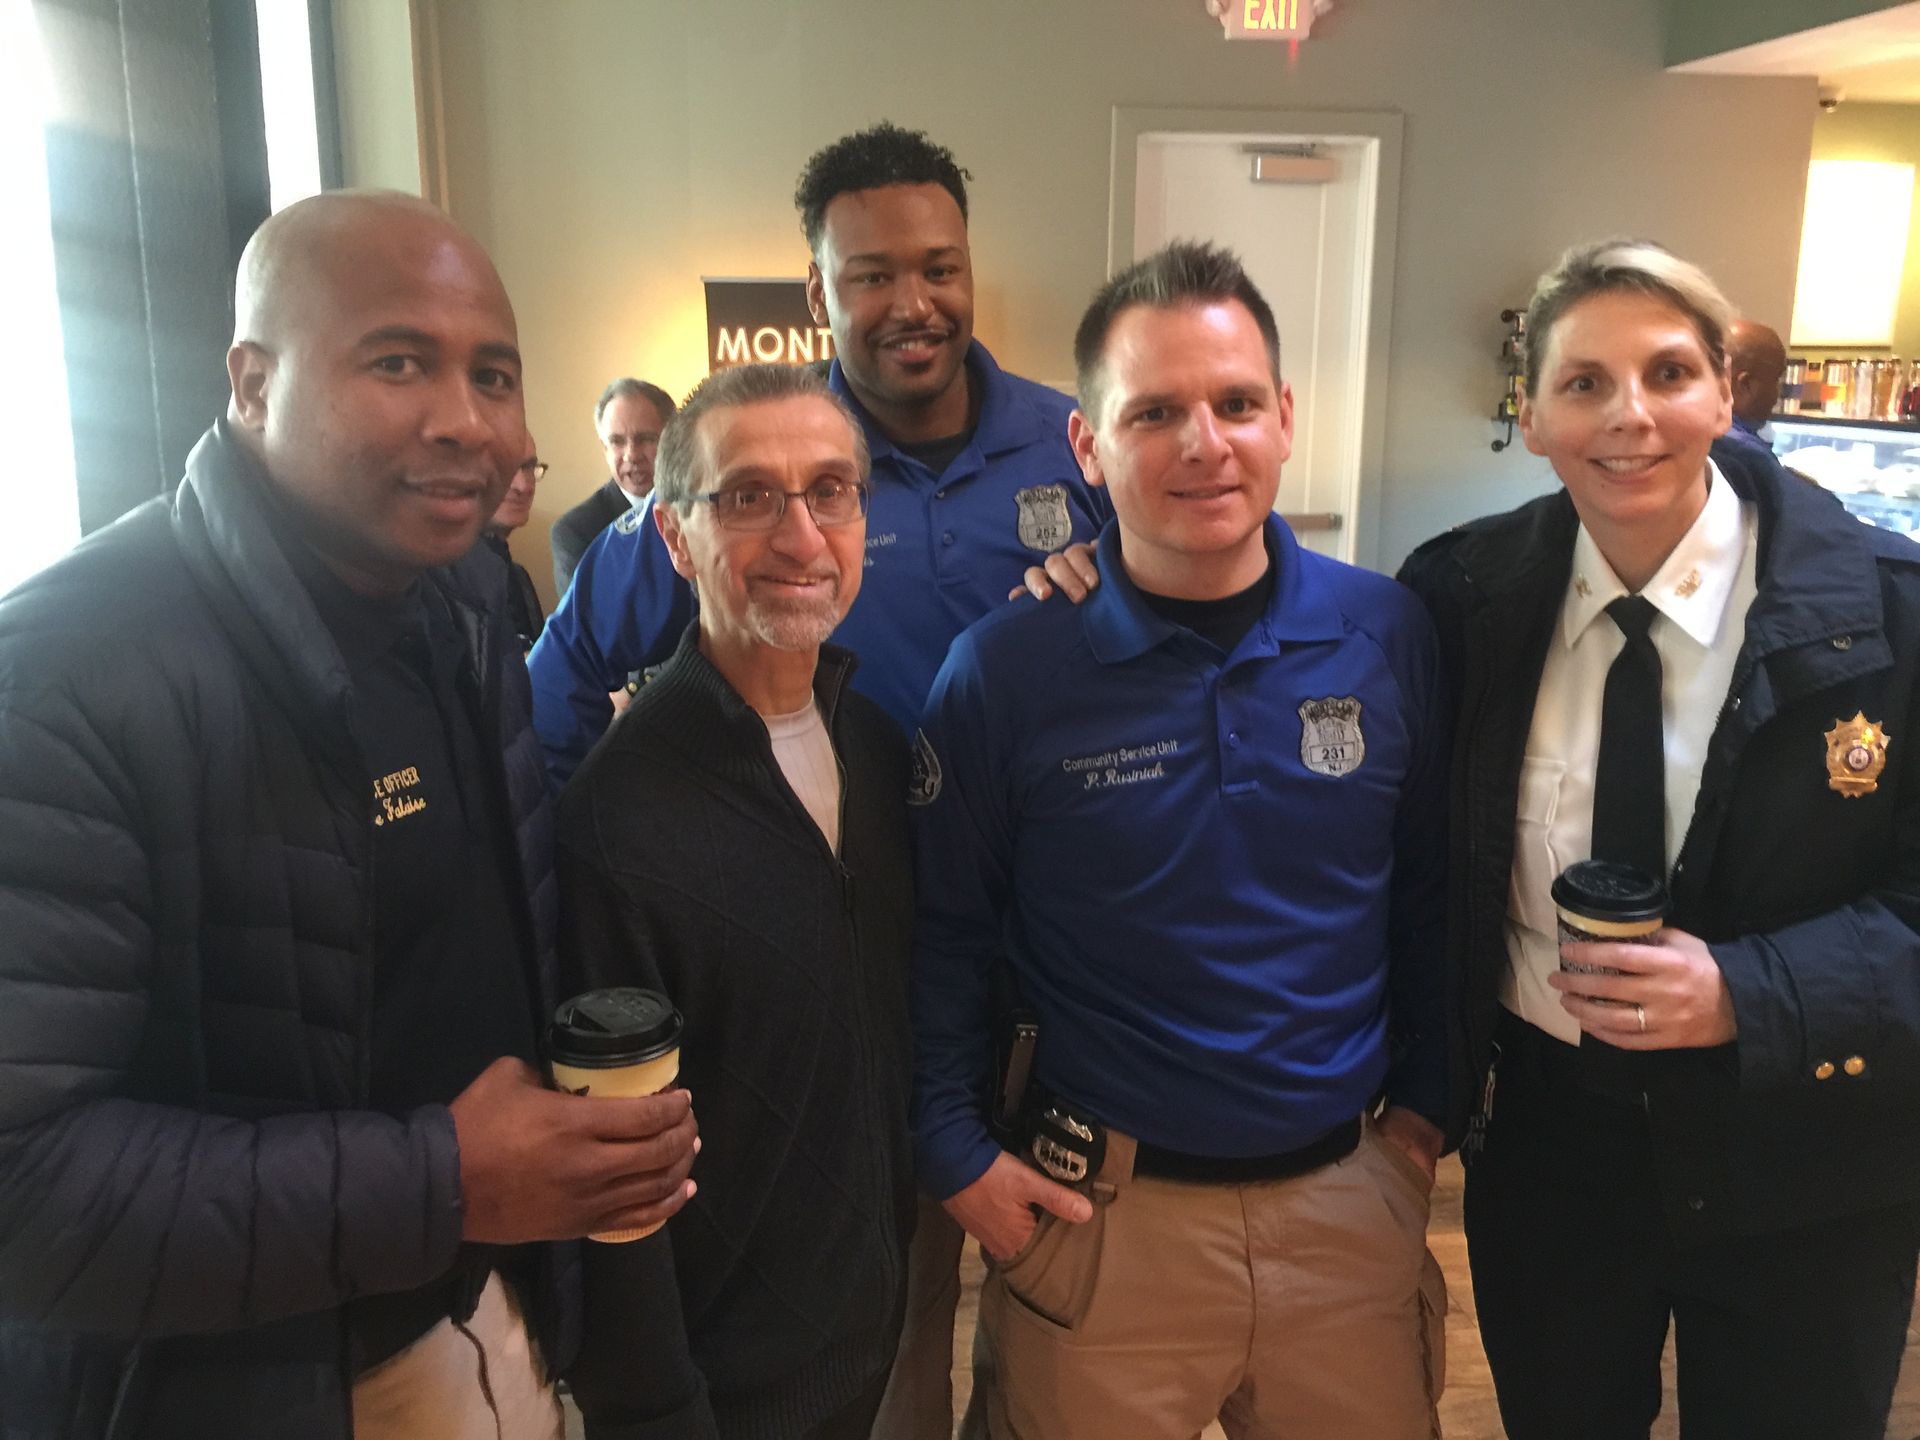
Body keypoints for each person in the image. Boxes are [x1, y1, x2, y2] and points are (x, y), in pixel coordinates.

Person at [0, 190, 699, 1440]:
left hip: (494, 1315)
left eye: (494, 375)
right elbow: (23, 1189)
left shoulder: (466, 606)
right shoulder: (67, 673)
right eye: (397, 362)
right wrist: (444, 1183)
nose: (465, 420)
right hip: (250, 1387)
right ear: (252, 384)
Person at [912, 241, 1449, 1439]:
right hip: (1098, 1229)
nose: (1205, 443)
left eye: (1236, 403)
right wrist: (951, 1151)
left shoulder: (1387, 633)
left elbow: (1430, 898)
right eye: (1154, 412)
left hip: (1349, 1215)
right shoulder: (1004, 671)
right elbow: (944, 931)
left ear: (1285, 418)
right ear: (1087, 445)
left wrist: (1424, 1122)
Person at [1398, 238, 1920, 1440]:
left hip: (1810, 1151)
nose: (1629, 414)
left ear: (1725, 393)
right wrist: (1092, 569)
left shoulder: (1893, 616)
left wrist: (1749, 991)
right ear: (1533, 416)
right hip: (1552, 1148)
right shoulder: (1461, 601)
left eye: (1669, 373)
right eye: (1584, 382)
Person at [528, 121, 1111, 780]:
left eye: (940, 270)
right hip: (824, 838)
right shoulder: (743, 456)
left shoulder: (1076, 440)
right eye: (873, 277)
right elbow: (567, 663)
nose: (914, 306)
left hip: (1039, 834)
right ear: (818, 294)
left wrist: (1114, 578)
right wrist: (571, 833)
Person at [557, 364, 914, 1439]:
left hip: (868, 1334)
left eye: (831, 490)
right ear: (675, 536)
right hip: (722, 1385)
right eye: (750, 496)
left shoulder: (876, 750)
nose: (803, 536)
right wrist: (655, 1407)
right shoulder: (618, 816)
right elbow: (610, 1179)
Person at [550, 378, 676, 594]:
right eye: (617, 441)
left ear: (673, 440)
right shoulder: (576, 532)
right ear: (605, 449)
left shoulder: (702, 509)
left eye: (646, 439)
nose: (631, 455)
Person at [489, 434, 548, 652]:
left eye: (529, 467)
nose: (523, 486)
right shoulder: (440, 583)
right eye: (505, 468)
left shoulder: (518, 576)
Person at [1716, 317, 1787, 466]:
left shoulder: (1700, 436)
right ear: (1745, 384)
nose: (1777, 395)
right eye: (1776, 380)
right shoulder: (1747, 453)